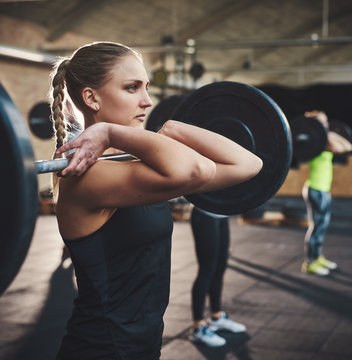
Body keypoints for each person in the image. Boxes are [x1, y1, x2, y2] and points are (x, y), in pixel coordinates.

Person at [48, 41, 263, 360]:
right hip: (102, 349)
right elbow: (198, 168)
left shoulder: (131, 167)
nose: (147, 101)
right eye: (132, 88)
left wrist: (174, 129)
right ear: (91, 97)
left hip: (141, 346)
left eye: (146, 88)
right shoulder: (88, 177)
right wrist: (111, 132)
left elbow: (249, 164)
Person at [301, 110, 352, 276]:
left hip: (323, 189)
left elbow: (348, 146)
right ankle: (310, 262)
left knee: (321, 227)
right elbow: (339, 147)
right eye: (321, 123)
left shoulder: (324, 139)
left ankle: (318, 256)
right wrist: (324, 132)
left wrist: (326, 130)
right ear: (314, 127)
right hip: (315, 189)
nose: (326, 125)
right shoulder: (316, 143)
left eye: (326, 122)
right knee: (316, 226)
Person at [189, 207, 246, 347]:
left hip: (222, 213)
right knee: (206, 270)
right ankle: (198, 327)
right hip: (204, 214)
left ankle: (216, 316)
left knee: (220, 267)